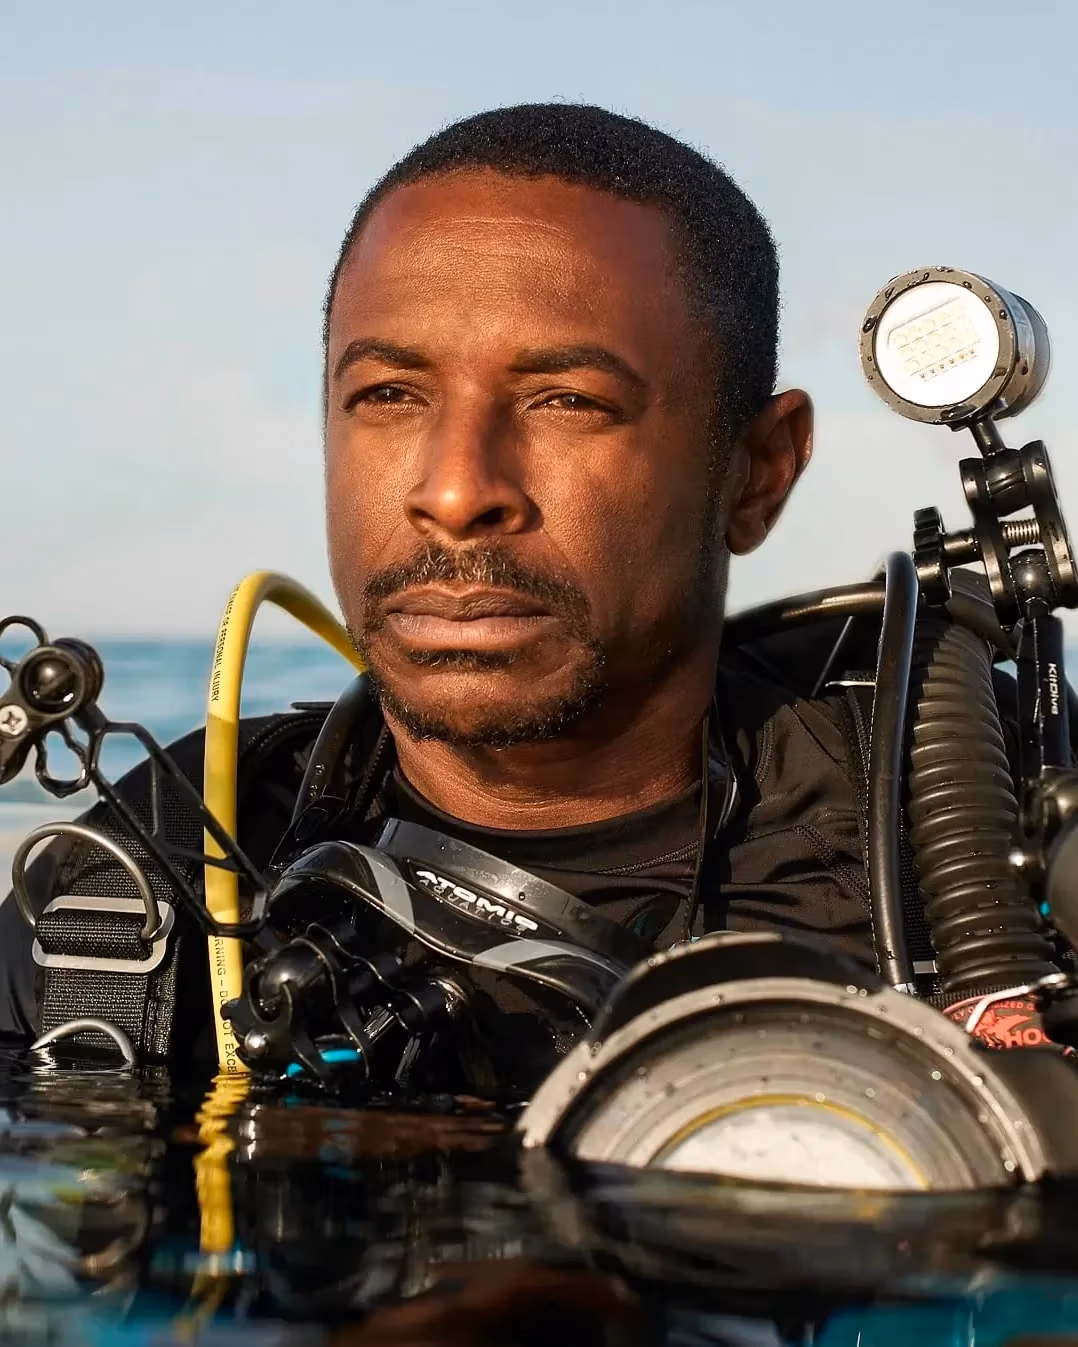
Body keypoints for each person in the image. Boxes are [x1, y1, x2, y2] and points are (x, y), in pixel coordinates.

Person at [0, 104, 871, 1057]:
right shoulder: (127, 895)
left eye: (569, 400)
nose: (456, 491)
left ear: (760, 471)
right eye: (388, 395)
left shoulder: (963, 871)